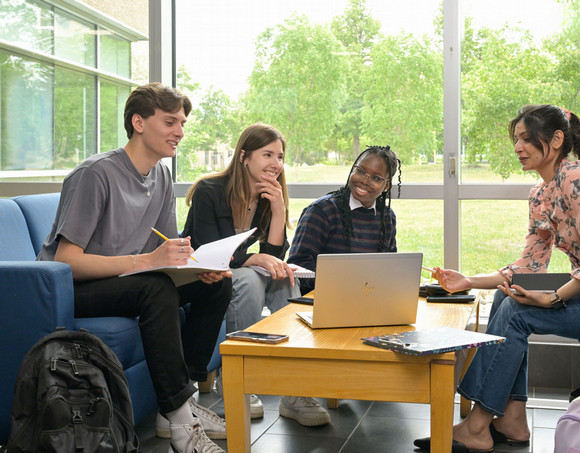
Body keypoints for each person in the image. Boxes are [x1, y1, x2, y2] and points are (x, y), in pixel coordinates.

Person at [413, 104, 580, 452]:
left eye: (525, 138)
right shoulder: (541, 193)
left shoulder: (577, 179)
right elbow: (530, 263)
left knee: (517, 314)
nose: (517, 147)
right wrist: (468, 282)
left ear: (555, 140)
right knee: (506, 297)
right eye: (516, 139)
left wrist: (554, 298)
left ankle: (477, 425)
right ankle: (512, 419)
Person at [37, 82, 231, 453]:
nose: (180, 132)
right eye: (171, 122)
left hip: (127, 280)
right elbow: (65, 261)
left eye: (183, 123)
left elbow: (166, 251)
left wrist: (195, 268)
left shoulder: (161, 176)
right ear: (138, 122)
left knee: (215, 284)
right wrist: (149, 262)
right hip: (70, 290)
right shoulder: (95, 174)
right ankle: (179, 421)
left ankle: (180, 401)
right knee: (155, 288)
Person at [181, 123, 329, 427]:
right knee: (248, 278)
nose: (276, 163)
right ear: (244, 157)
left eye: (280, 156)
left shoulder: (267, 195)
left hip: (236, 271)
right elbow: (208, 251)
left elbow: (273, 259)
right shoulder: (209, 191)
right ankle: (236, 378)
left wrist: (278, 211)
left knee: (284, 278)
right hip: (202, 276)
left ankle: (294, 389)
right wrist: (256, 258)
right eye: (267, 154)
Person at [288, 145, 401, 298]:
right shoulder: (322, 211)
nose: (365, 180)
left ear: (386, 185)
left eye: (376, 178)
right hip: (323, 299)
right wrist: (345, 285)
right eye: (360, 171)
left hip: (368, 299)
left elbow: (389, 268)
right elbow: (298, 268)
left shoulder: (386, 217)